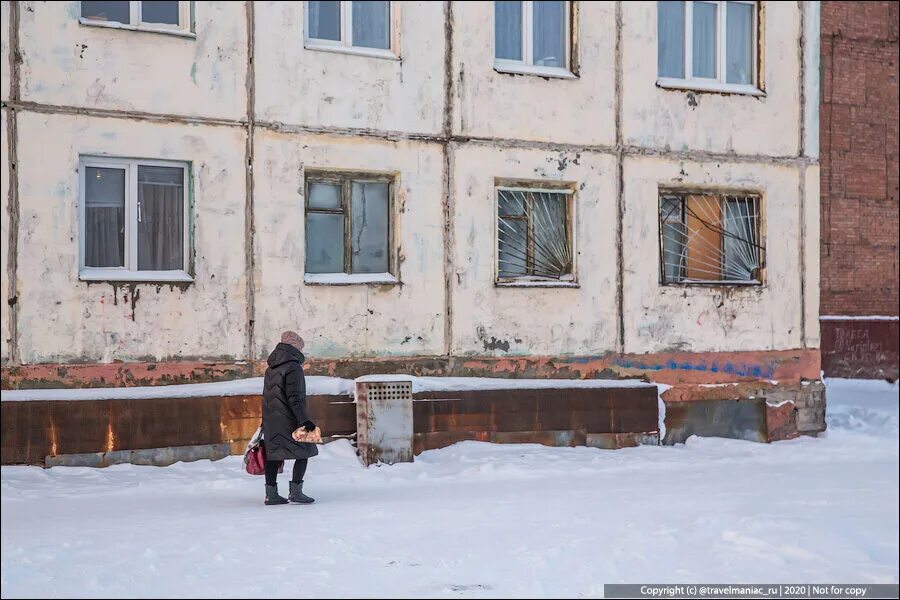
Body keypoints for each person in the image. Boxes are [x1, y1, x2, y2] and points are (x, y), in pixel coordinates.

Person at [261, 330, 317, 505]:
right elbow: (295, 397)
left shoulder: (271, 368)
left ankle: (271, 494)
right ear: (295, 348)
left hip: (272, 419)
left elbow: (267, 396)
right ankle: (296, 492)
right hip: (289, 418)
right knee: (304, 451)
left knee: (273, 455)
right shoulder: (293, 367)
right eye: (301, 348)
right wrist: (304, 420)